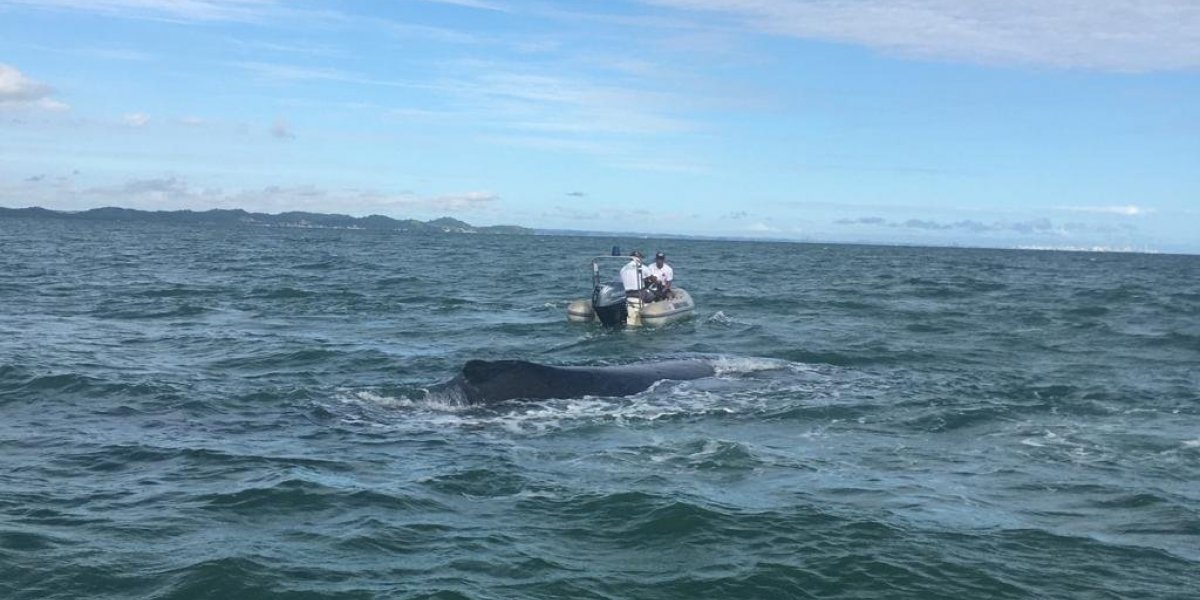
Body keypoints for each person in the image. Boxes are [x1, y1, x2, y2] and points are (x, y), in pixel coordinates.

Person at [619, 250, 647, 325]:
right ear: (639, 258)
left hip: (626, 295)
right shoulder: (642, 267)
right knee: (653, 295)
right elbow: (650, 278)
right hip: (638, 294)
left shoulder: (623, 269)